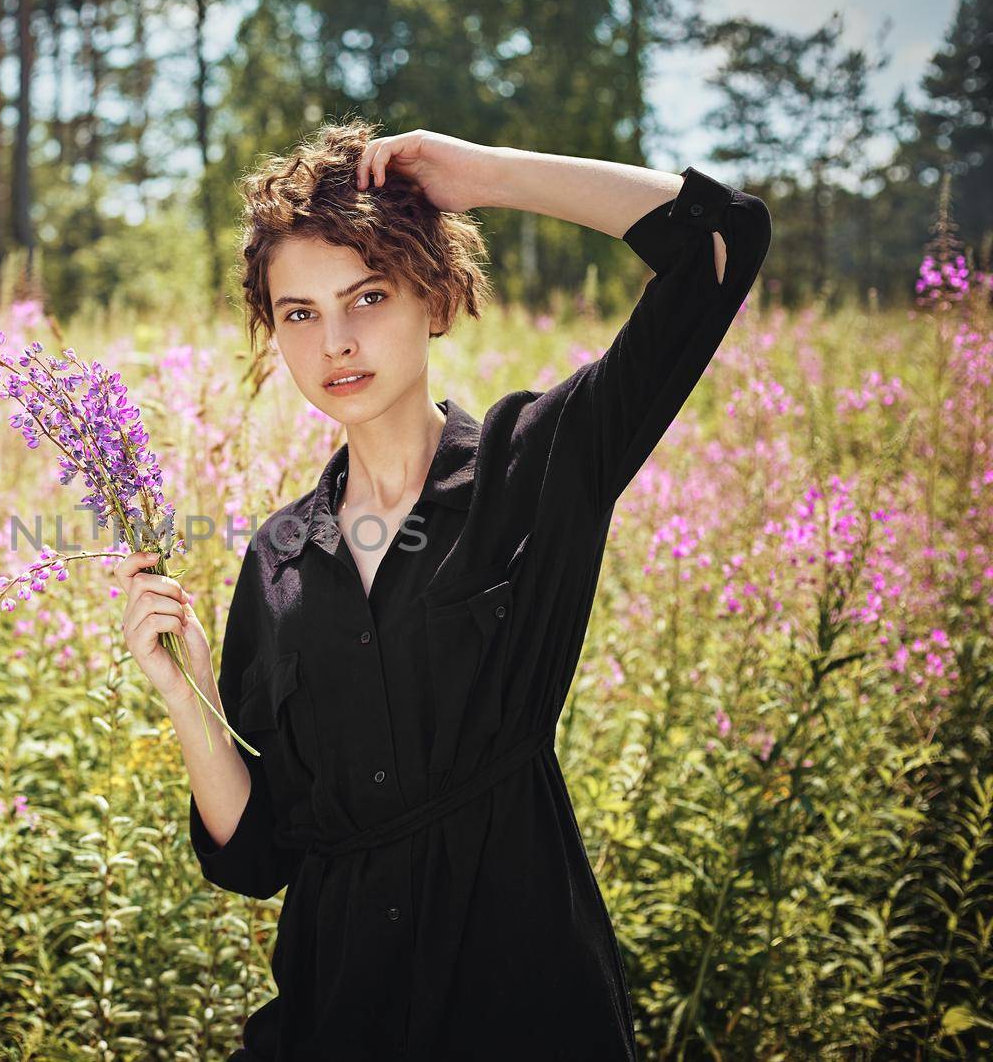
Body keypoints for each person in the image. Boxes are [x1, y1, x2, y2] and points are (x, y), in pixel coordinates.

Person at [113, 118, 772, 1060]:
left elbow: (722, 238)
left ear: (433, 292)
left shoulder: (538, 464)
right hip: (334, 1015)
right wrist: (187, 698)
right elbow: (259, 856)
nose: (334, 341)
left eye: (366, 295)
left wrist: (492, 174)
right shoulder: (277, 557)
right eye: (298, 312)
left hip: (521, 997)